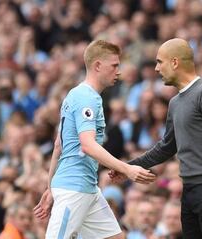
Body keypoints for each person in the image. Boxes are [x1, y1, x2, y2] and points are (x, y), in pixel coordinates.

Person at [110, 38, 202, 238]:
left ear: (175, 62)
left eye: (160, 62)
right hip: (189, 188)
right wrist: (128, 167)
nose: (157, 69)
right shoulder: (175, 102)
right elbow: (167, 146)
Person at [33, 40, 156, 239]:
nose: (118, 71)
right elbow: (88, 145)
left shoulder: (77, 94)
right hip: (73, 188)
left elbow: (59, 146)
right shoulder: (86, 98)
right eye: (114, 65)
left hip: (87, 187)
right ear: (98, 65)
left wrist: (50, 188)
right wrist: (127, 169)